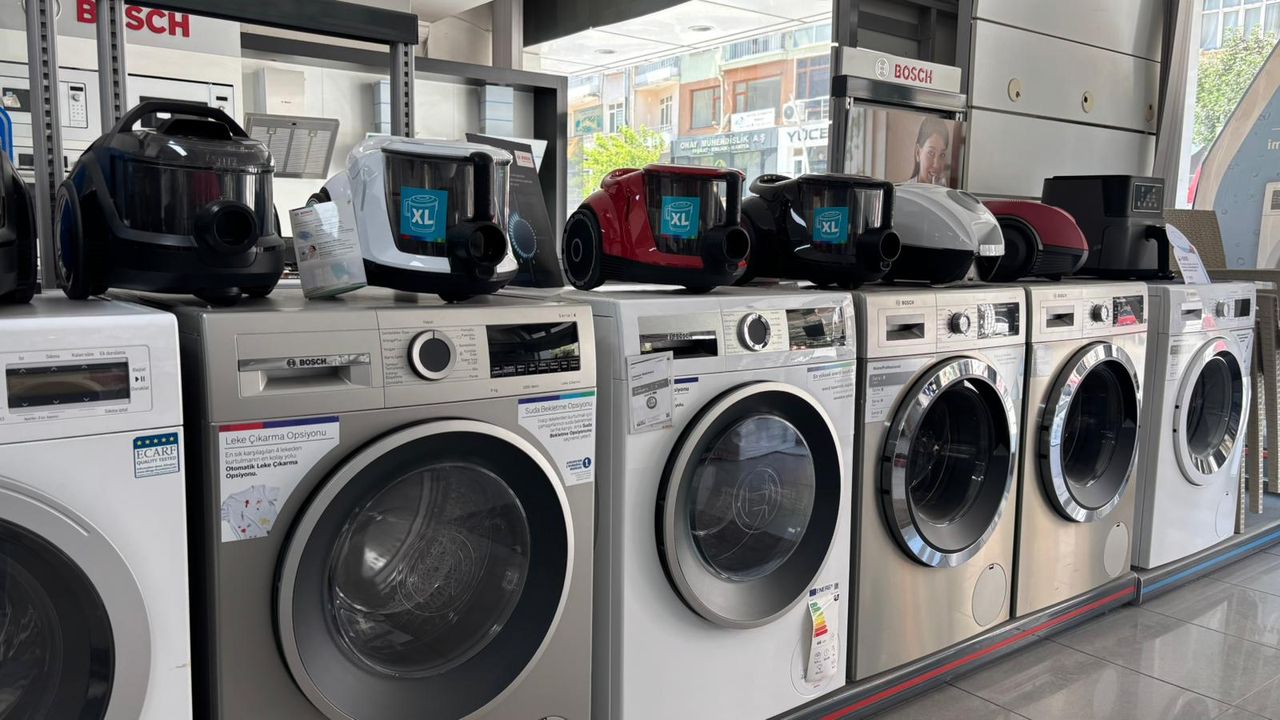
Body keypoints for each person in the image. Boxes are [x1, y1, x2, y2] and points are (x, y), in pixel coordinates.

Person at [907, 117, 951, 186]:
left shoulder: (945, 189)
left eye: (942, 155)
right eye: (931, 153)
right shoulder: (903, 191)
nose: (936, 165)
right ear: (918, 153)